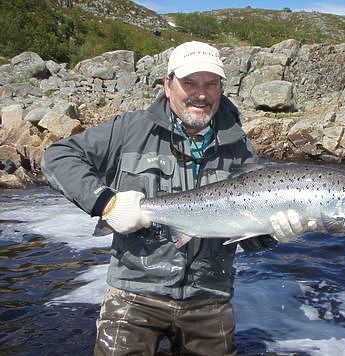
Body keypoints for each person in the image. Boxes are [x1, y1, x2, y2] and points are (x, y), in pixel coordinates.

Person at [41, 41, 311, 355]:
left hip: (209, 297)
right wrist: (106, 203)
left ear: (221, 89)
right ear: (168, 85)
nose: (201, 93)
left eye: (211, 84)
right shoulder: (129, 130)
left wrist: (273, 231)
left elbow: (247, 238)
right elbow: (58, 157)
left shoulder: (239, 147)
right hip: (134, 293)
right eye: (189, 83)